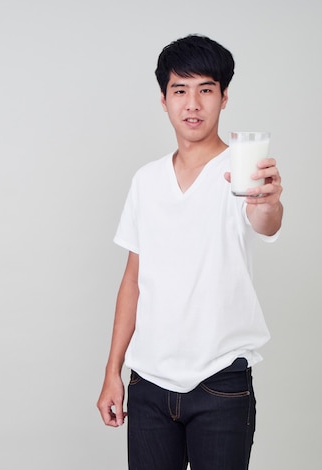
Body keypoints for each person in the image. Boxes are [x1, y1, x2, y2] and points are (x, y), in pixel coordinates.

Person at [96, 34, 283, 470]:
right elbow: (132, 281)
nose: (193, 103)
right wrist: (112, 372)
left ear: (223, 97)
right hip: (149, 385)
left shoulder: (243, 170)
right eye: (180, 90)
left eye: (206, 89)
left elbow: (266, 222)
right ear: (164, 100)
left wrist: (269, 203)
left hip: (219, 381)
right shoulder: (146, 180)